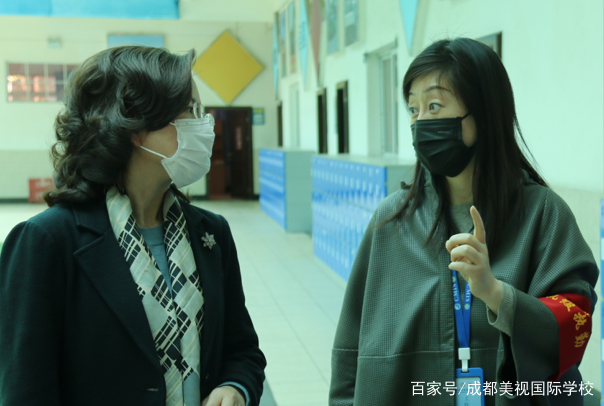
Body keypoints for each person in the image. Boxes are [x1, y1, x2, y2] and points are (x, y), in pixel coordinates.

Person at [329, 38, 598, 406]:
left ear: (483, 112)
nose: (420, 122)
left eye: (434, 106)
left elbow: (575, 324)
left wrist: (496, 294)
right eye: (413, 109)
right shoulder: (391, 222)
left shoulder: (542, 214)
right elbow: (350, 347)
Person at [0, 46, 266, 406]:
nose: (205, 125)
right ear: (133, 128)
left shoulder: (211, 233)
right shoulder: (47, 242)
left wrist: (234, 387)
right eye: (189, 110)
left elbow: (243, 349)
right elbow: (26, 389)